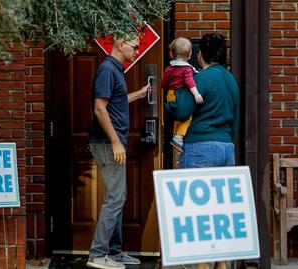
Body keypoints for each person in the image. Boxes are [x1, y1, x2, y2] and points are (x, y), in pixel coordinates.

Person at [164, 33, 239, 269]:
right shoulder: (231, 80)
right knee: (220, 212)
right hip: (227, 147)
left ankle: (202, 265)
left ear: (199, 55)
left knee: (197, 214)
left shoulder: (204, 78)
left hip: (201, 148)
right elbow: (235, 120)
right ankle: (222, 264)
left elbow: (182, 110)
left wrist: (168, 101)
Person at [87, 34, 151, 269]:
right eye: (134, 47)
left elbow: (115, 101)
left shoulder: (115, 70)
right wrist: (115, 141)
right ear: (120, 44)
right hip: (107, 143)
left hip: (112, 142)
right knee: (115, 198)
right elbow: (99, 107)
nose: (136, 51)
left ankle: (113, 252)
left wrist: (139, 94)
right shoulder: (107, 69)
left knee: (118, 197)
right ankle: (98, 254)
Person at [161, 37, 203, 153]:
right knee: (187, 117)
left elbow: (163, 83)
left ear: (171, 53)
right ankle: (179, 137)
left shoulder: (169, 68)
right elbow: (190, 82)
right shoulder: (187, 69)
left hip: (170, 95)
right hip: (181, 95)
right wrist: (196, 94)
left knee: (177, 118)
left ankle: (176, 138)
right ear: (190, 55)